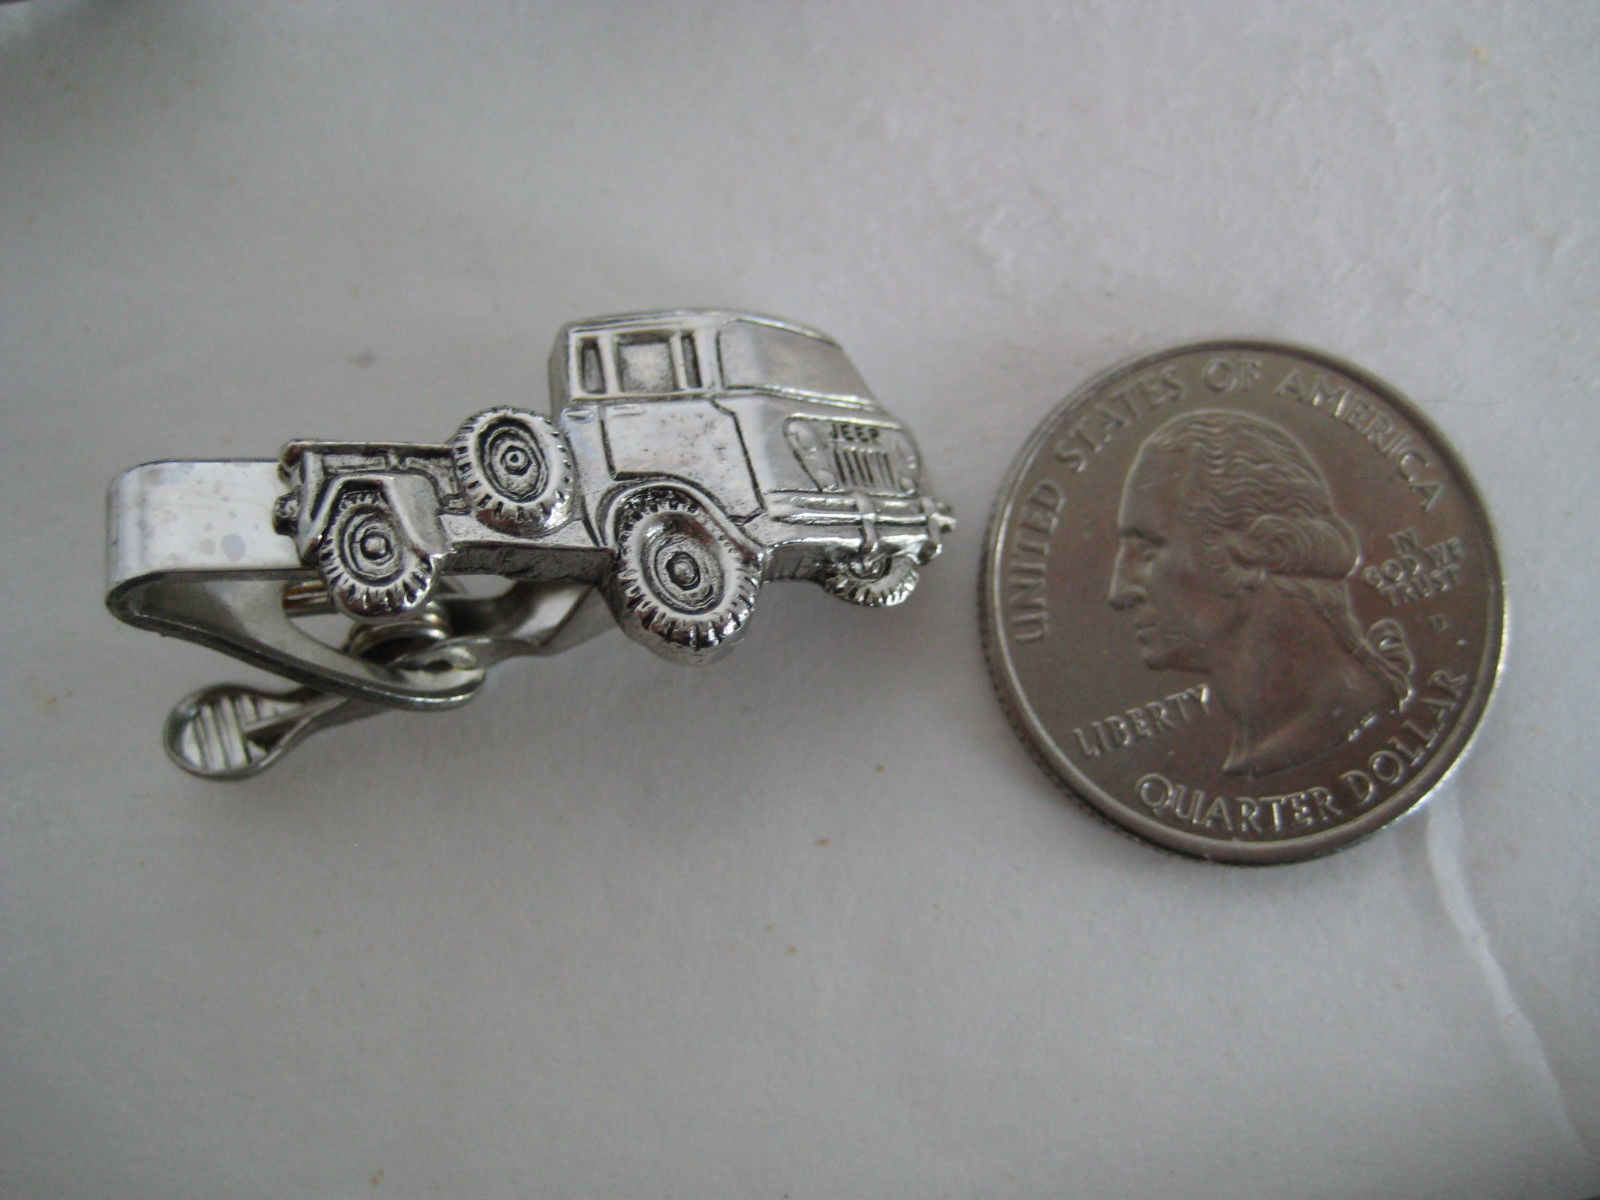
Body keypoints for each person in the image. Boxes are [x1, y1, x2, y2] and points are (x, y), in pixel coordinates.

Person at [1108, 409, 1412, 777]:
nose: (1118, 592)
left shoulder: (1338, 722)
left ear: (1257, 546)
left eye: (1148, 551)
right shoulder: (1264, 744)